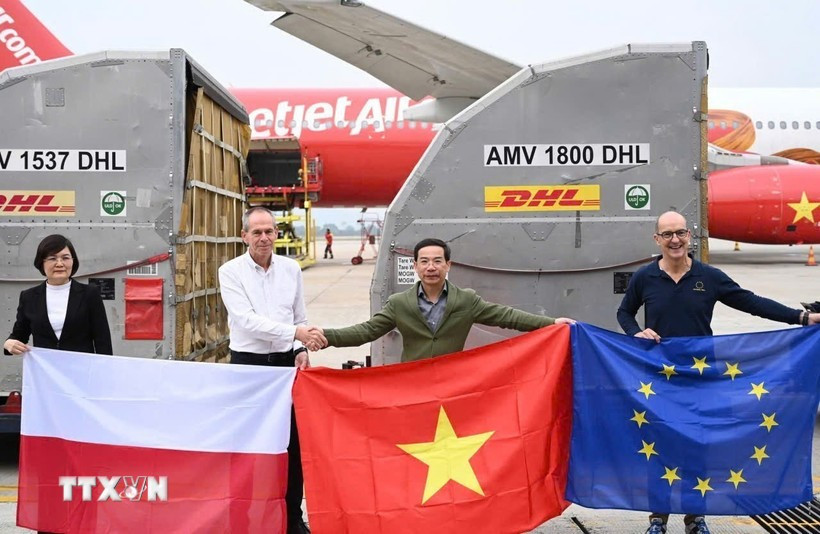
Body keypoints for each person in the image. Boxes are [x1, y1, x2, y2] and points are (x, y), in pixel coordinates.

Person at [617, 210, 819, 534]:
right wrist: (635, 333)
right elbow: (624, 312)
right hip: (660, 379)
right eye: (667, 234)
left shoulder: (708, 277)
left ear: (689, 236)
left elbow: (751, 302)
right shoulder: (645, 277)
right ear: (657, 239)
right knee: (660, 446)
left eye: (680, 233)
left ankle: (695, 518)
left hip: (700, 380)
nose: (675, 240)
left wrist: (801, 318)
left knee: (697, 447)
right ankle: (658, 519)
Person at [218, 206, 324, 534]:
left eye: (269, 231)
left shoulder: (291, 269)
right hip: (248, 368)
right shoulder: (230, 272)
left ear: (277, 233)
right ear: (244, 236)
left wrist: (299, 349)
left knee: (291, 445)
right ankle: (242, 517)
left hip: (283, 366)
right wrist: (296, 334)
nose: (264, 238)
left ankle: (292, 518)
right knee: (247, 446)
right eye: (257, 232)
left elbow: (299, 315)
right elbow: (246, 321)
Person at [318, 237, 574, 362]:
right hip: (411, 385)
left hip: (453, 385)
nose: (431, 267)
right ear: (415, 266)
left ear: (448, 265)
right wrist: (325, 337)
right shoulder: (399, 303)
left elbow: (507, 317)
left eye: (437, 261)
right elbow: (366, 332)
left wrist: (551, 323)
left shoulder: (466, 301)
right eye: (424, 261)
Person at [4, 234, 112, 357]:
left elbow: (103, 340)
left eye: (65, 258)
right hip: (45, 367)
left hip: (81, 367)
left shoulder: (90, 294)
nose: (59, 264)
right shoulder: (29, 297)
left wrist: (105, 366)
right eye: (52, 258)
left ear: (73, 261)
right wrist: (8, 343)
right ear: (41, 262)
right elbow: (19, 335)